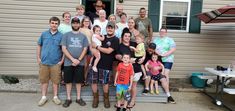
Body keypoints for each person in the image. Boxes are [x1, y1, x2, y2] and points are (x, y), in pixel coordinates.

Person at [89, 21, 119, 108]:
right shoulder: (102, 36)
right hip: (96, 63)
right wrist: (92, 48)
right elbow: (92, 44)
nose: (109, 29)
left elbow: (108, 51)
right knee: (93, 81)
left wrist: (97, 47)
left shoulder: (115, 39)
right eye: (108, 27)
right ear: (106, 28)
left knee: (105, 83)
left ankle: (106, 99)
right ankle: (96, 98)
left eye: (111, 28)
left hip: (106, 64)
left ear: (114, 29)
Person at [61, 17, 89, 107]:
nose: (76, 24)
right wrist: (73, 59)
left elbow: (85, 49)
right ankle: (68, 98)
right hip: (68, 62)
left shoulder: (83, 36)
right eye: (74, 23)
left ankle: (78, 98)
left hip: (80, 62)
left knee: (78, 81)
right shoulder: (66, 35)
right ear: (71, 24)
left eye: (77, 23)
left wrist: (79, 60)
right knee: (68, 81)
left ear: (79, 24)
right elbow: (63, 48)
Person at [37, 16, 63, 106]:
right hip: (44, 62)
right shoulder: (44, 34)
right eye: (52, 23)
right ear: (49, 23)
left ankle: (55, 97)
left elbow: (63, 49)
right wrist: (38, 58)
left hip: (55, 63)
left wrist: (62, 61)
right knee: (44, 81)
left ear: (58, 25)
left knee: (55, 81)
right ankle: (43, 97)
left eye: (56, 23)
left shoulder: (61, 36)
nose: (54, 25)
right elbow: (39, 45)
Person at [153, 27, 176, 103]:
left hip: (168, 59)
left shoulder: (170, 40)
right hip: (158, 59)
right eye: (161, 31)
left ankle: (167, 93)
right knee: (157, 73)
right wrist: (158, 54)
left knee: (165, 74)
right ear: (159, 32)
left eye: (164, 32)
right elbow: (153, 48)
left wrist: (165, 54)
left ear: (166, 33)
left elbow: (173, 49)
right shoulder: (156, 40)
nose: (162, 33)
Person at [80, 16, 93, 85]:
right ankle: (81, 79)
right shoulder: (80, 29)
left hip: (89, 48)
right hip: (82, 48)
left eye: (88, 22)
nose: (87, 23)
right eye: (85, 21)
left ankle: (84, 80)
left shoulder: (91, 31)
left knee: (87, 65)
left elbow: (91, 41)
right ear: (82, 22)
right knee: (83, 65)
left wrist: (91, 49)